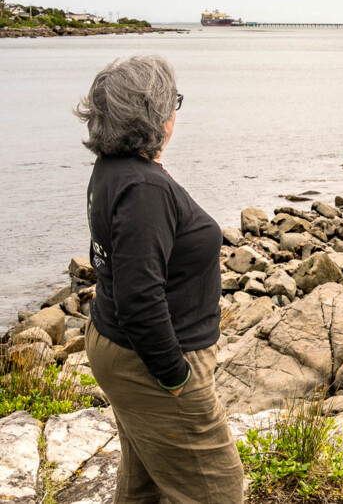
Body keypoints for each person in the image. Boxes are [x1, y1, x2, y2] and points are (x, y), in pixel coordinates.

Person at [76, 55, 244, 503]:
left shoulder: (114, 170)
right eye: (174, 102)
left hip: (119, 344)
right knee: (218, 489)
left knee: (144, 483)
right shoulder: (144, 188)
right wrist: (175, 377)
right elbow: (139, 296)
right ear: (154, 114)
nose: (175, 112)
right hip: (149, 360)